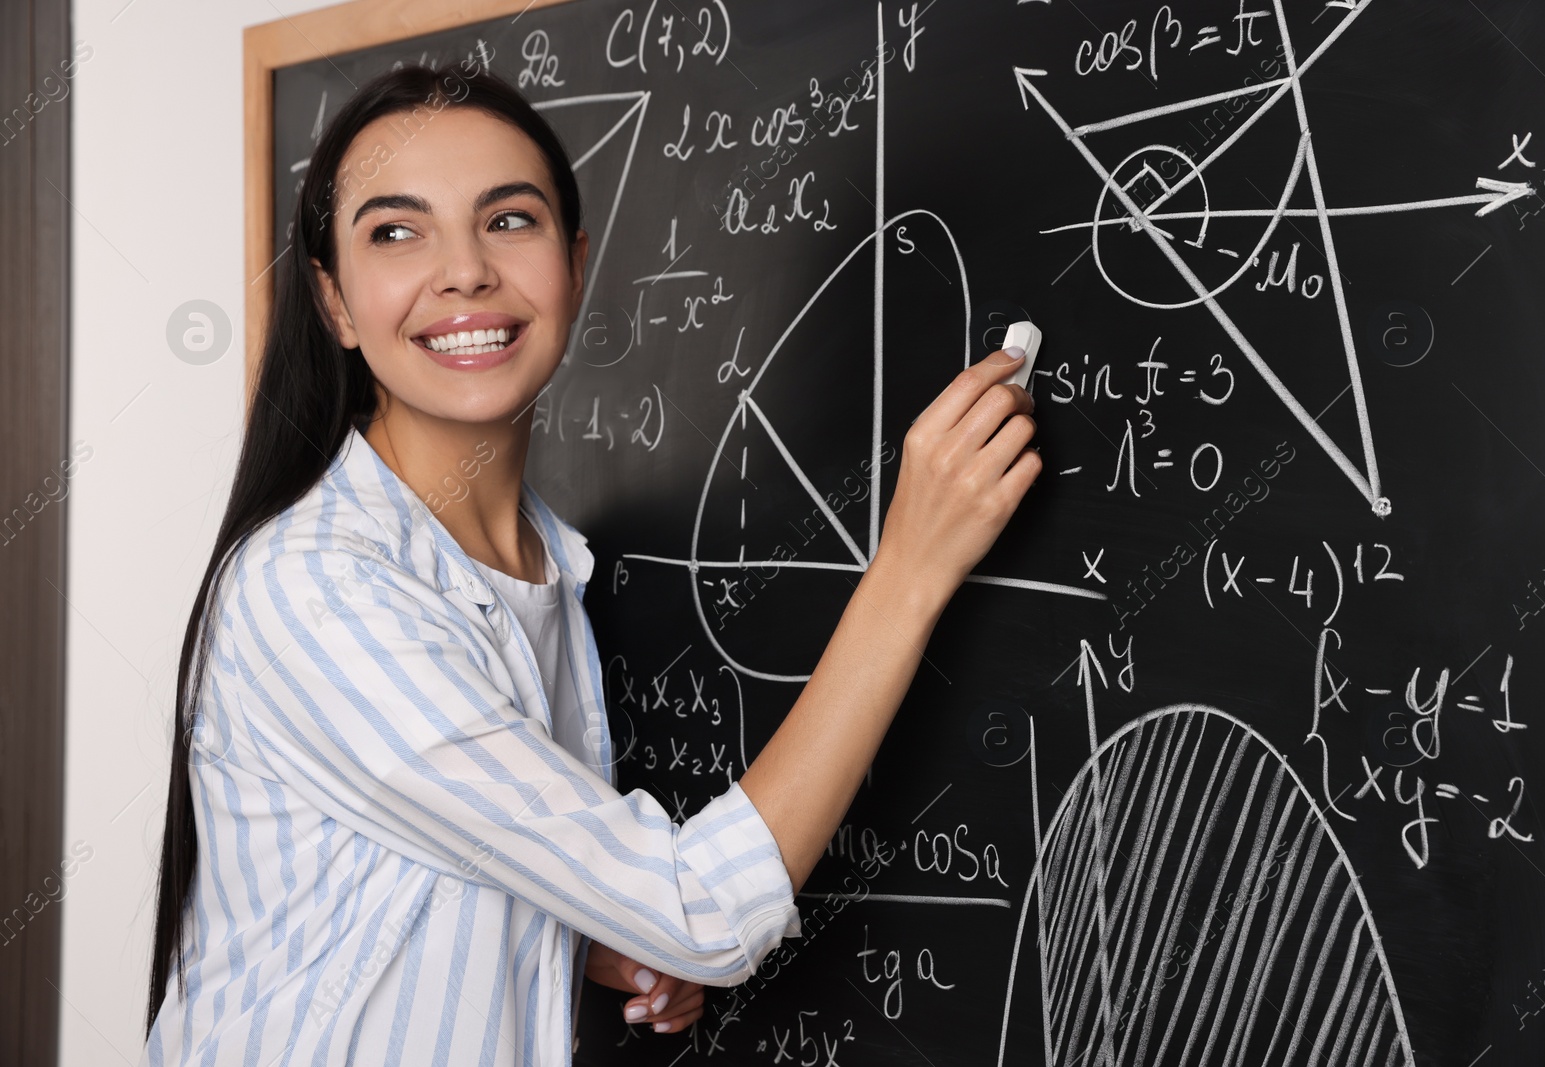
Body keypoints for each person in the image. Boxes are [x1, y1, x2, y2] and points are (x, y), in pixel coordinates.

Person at [142, 60, 1040, 1066]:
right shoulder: (319, 588)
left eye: (509, 219)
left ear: (573, 262)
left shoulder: (543, 564)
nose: (465, 270)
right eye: (396, 230)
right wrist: (910, 567)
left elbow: (445, 860)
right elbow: (700, 910)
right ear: (336, 302)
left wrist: (582, 933)